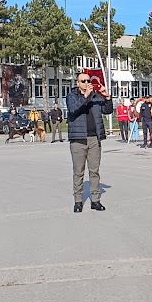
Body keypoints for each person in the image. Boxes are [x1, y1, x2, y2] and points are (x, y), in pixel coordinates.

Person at [66, 73, 114, 212]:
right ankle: (78, 201)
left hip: (94, 138)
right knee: (78, 171)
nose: (87, 83)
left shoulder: (95, 96)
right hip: (78, 139)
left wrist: (107, 97)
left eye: (88, 80)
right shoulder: (72, 96)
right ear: (77, 83)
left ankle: (95, 200)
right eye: (83, 81)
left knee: (94, 171)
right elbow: (73, 109)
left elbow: (108, 110)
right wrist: (86, 96)